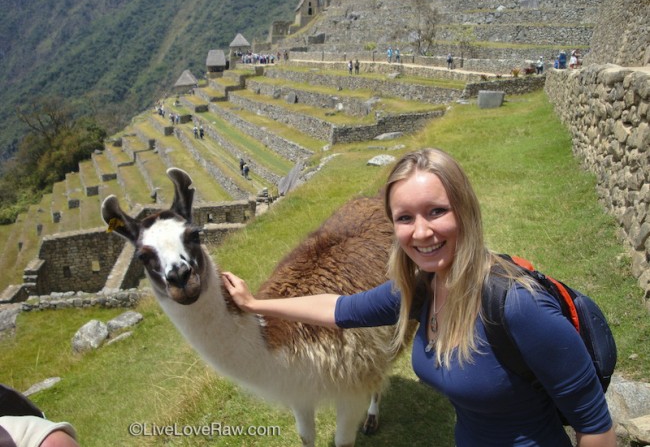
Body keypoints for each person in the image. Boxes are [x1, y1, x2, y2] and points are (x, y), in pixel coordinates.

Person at [222, 148, 615, 447]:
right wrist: (256, 305)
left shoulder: (517, 305)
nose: (422, 232)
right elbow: (338, 309)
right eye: (405, 218)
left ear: (466, 210)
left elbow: (595, 426)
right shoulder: (423, 289)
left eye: (437, 211)